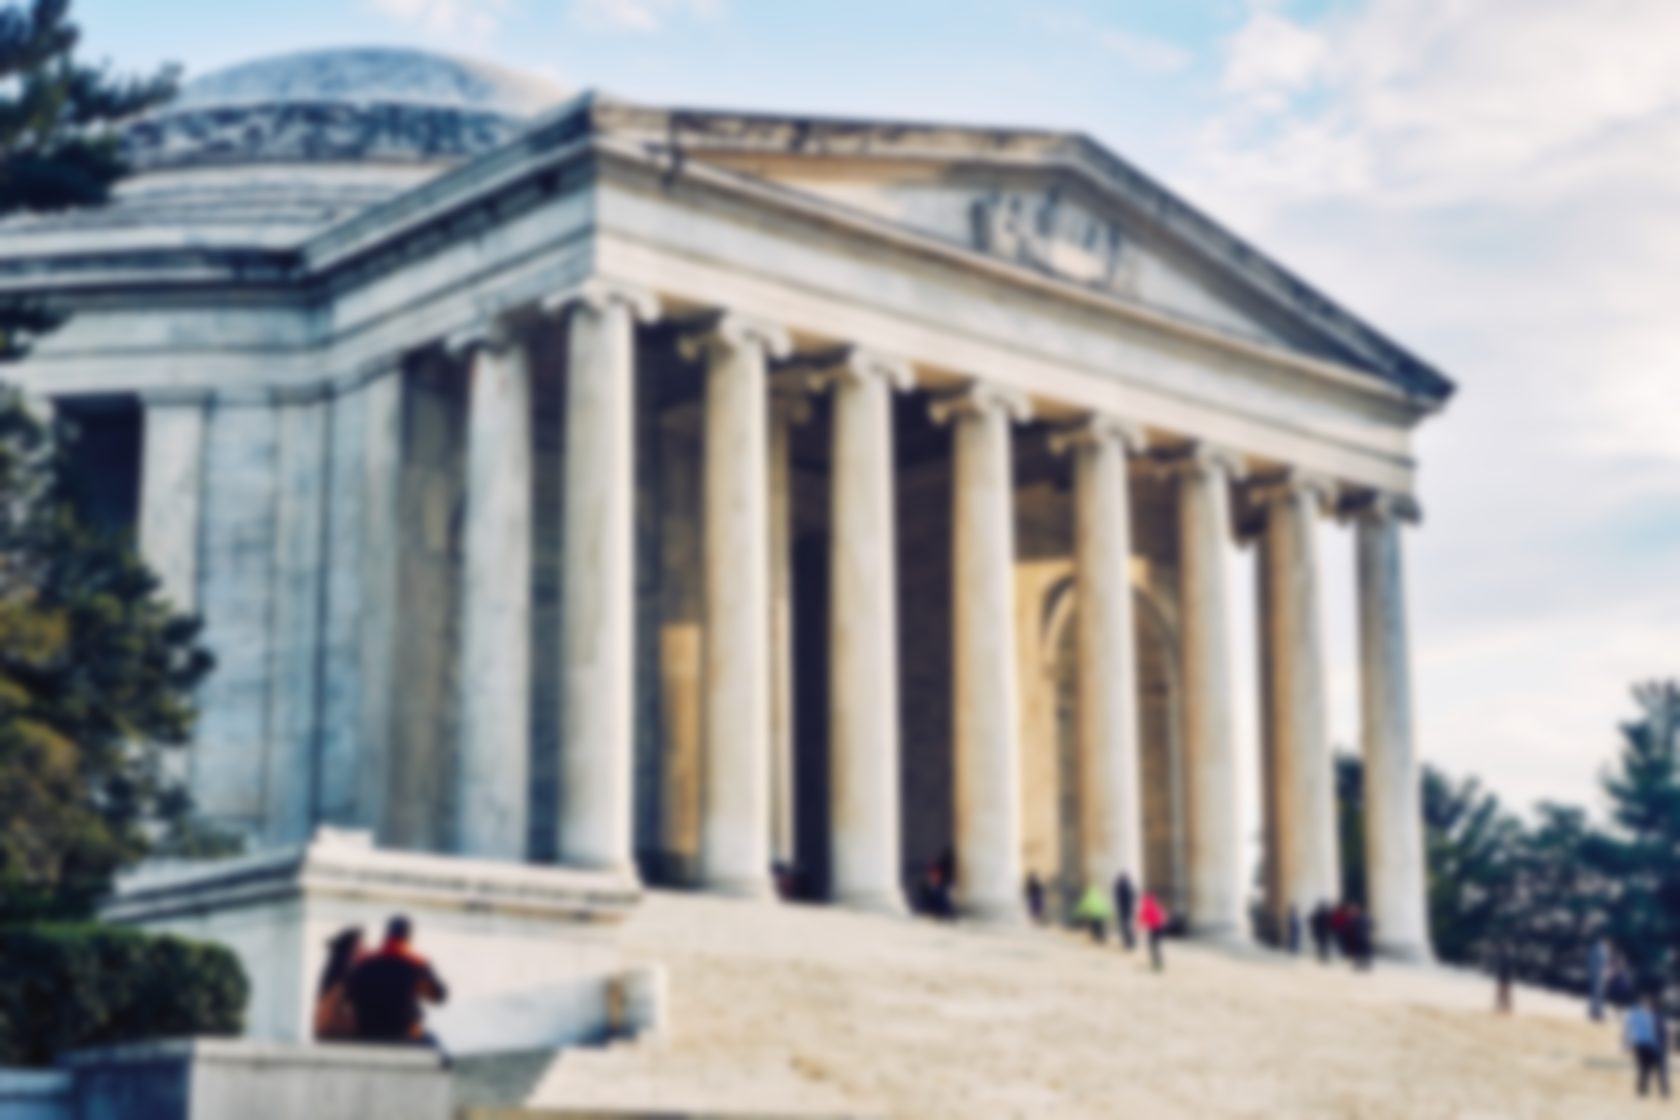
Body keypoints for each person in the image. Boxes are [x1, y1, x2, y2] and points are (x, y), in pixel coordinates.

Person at [344, 915, 450, 1052]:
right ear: (409, 937)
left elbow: (347, 996)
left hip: (365, 1033)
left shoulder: (363, 961)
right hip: (403, 1035)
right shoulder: (416, 963)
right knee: (437, 1046)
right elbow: (440, 997)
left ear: (386, 934)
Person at [313, 927, 363, 1041]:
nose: (363, 949)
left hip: (330, 1035)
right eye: (360, 946)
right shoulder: (342, 978)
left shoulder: (335, 974)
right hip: (337, 1037)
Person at [1624, 991, 1670, 1099]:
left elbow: (1629, 1029)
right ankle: (1661, 1091)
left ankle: (1644, 1090)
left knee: (1645, 1069)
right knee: (1656, 1070)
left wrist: (1627, 1044)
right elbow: (1658, 1033)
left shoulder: (1637, 1014)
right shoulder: (1653, 1016)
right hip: (1651, 1046)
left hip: (1643, 1045)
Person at [1138, 890, 1167, 971]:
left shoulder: (1146, 907)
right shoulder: (1156, 905)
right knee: (1156, 945)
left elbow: (1142, 918)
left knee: (1152, 945)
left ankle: (1156, 963)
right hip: (1160, 927)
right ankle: (1159, 962)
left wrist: (1139, 928)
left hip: (1154, 928)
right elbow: (1162, 915)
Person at [1112, 872, 1137, 951]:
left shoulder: (1119, 886)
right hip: (1128, 908)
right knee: (1128, 925)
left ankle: (1128, 942)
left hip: (1123, 909)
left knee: (1125, 926)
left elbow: (1117, 898)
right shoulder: (1128, 885)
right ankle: (1130, 942)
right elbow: (1133, 896)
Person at [1587, 938, 1609, 1022]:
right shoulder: (1602, 949)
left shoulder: (1595, 948)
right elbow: (1603, 964)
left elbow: (1591, 961)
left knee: (1595, 993)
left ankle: (1594, 1011)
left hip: (1596, 973)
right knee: (1598, 994)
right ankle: (1597, 1012)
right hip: (1599, 974)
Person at [1492, 942, 1514, 1014]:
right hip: (1504, 980)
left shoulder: (1504, 958)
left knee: (1503, 995)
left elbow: (1504, 970)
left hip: (1504, 980)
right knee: (1503, 995)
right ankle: (1504, 1008)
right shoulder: (1506, 958)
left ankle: (1504, 1008)